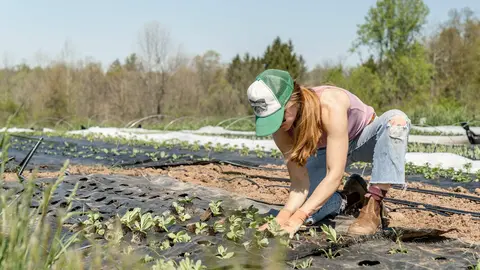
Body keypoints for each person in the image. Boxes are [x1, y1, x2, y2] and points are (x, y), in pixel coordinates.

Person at [247, 69, 411, 237]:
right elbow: (299, 182)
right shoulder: (281, 129)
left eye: (280, 117)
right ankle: (351, 197)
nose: (278, 125)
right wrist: (284, 216)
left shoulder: (329, 104)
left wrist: (299, 217)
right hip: (326, 150)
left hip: (363, 139)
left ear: (293, 101)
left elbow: (334, 175)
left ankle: (373, 205)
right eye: (270, 120)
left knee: (397, 121)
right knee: (311, 208)